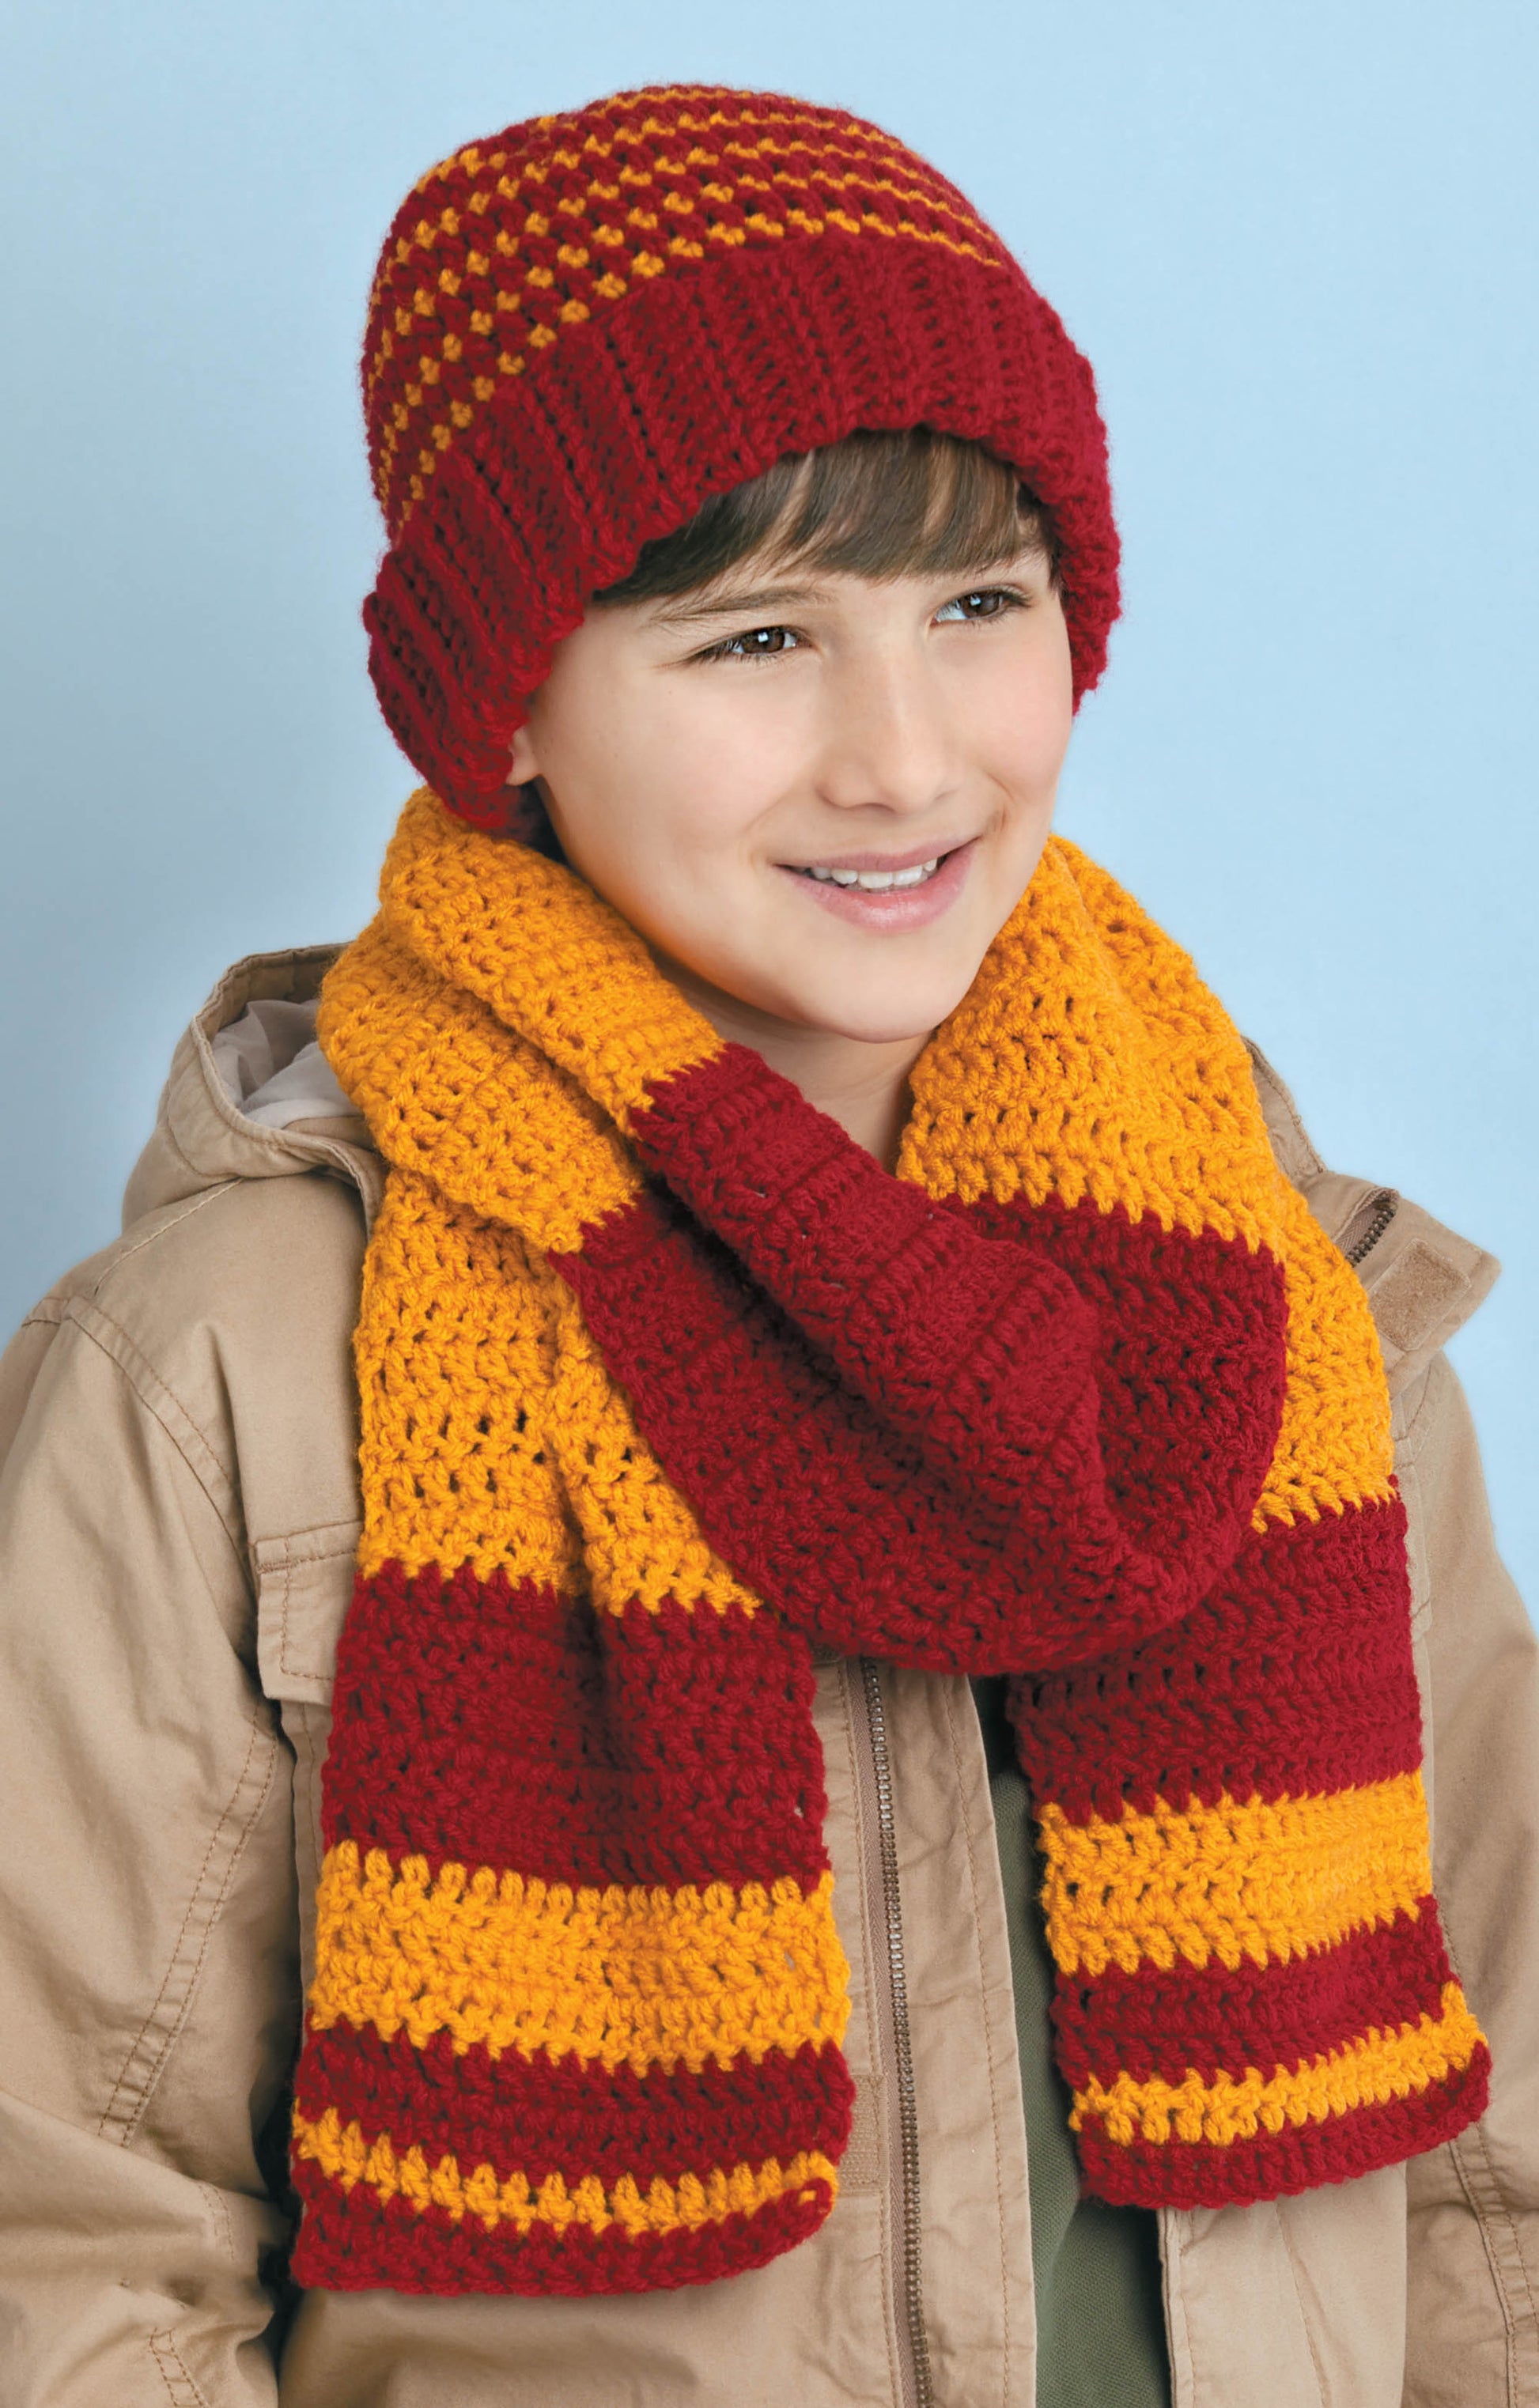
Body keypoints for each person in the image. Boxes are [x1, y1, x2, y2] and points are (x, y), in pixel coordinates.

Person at [0, 82, 1534, 2408]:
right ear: (499, 700)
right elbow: (66, 2263)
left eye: (976, 606)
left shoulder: (1270, 1308)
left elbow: (1488, 2175)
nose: (907, 760)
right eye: (751, 641)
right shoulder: (219, 1370)